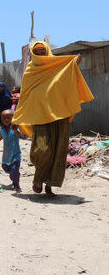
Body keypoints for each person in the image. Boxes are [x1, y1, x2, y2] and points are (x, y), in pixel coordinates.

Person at [12, 41, 94, 197]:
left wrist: (73, 64)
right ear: (32, 54)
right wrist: (17, 119)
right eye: (37, 52)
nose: (41, 53)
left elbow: (67, 80)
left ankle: (49, 186)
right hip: (40, 117)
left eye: (43, 51)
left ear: (47, 51)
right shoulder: (30, 71)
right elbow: (25, 97)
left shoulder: (58, 66)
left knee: (58, 151)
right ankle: (38, 179)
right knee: (42, 150)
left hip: (59, 115)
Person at [0, 109, 25, 192]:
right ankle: (15, 175)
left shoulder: (15, 127)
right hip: (6, 154)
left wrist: (15, 130)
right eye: (4, 118)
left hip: (16, 154)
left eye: (8, 118)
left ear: (13, 118)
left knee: (14, 168)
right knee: (5, 167)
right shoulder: (2, 129)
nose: (6, 120)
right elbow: (1, 137)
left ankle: (16, 185)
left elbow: (22, 136)